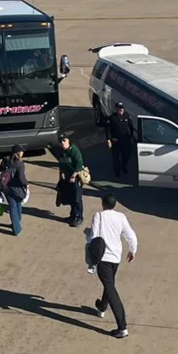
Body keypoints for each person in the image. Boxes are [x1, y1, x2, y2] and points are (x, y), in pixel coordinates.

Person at [85, 193, 138, 339]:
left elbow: (94, 237)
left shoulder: (98, 216)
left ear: (103, 203)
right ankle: (102, 307)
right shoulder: (121, 217)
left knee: (110, 289)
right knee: (109, 284)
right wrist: (132, 251)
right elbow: (131, 236)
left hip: (102, 259)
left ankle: (122, 327)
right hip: (116, 257)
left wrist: (87, 233)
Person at [0, 145, 29, 235]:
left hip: (6, 188)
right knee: (18, 205)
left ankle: (16, 224)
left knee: (12, 206)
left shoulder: (5, 160)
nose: (23, 153)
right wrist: (27, 184)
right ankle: (17, 227)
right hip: (17, 188)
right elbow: (22, 179)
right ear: (18, 153)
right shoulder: (20, 164)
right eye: (22, 151)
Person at [57, 133, 85, 226]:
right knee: (71, 198)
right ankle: (73, 216)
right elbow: (61, 165)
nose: (62, 143)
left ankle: (80, 217)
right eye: (60, 141)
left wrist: (74, 176)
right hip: (67, 179)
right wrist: (61, 177)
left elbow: (79, 164)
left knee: (77, 199)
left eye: (64, 141)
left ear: (68, 140)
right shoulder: (61, 152)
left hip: (76, 179)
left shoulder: (74, 151)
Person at [105, 102, 136, 178]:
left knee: (126, 155)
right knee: (116, 158)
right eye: (119, 108)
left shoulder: (127, 115)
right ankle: (117, 171)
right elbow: (108, 129)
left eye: (122, 108)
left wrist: (131, 136)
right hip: (115, 141)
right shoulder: (112, 117)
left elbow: (131, 126)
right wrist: (108, 140)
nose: (121, 110)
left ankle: (123, 166)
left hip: (125, 140)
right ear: (116, 109)